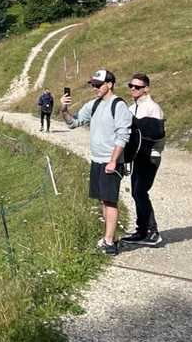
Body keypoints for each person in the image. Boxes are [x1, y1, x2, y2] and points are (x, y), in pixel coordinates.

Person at [61, 69, 133, 255]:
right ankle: (111, 237)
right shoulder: (93, 104)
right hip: (97, 160)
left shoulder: (119, 105)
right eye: (93, 85)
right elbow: (73, 123)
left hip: (111, 161)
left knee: (110, 201)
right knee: (103, 200)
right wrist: (64, 109)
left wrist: (113, 161)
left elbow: (123, 136)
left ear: (109, 84)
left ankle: (109, 243)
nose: (95, 88)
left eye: (98, 85)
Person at [120, 73, 165, 247]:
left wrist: (138, 124)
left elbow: (157, 134)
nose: (133, 89)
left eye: (137, 87)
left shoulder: (153, 108)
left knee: (140, 192)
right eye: (131, 86)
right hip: (137, 157)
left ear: (146, 89)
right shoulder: (132, 108)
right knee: (136, 192)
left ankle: (152, 232)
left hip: (150, 157)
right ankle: (142, 230)